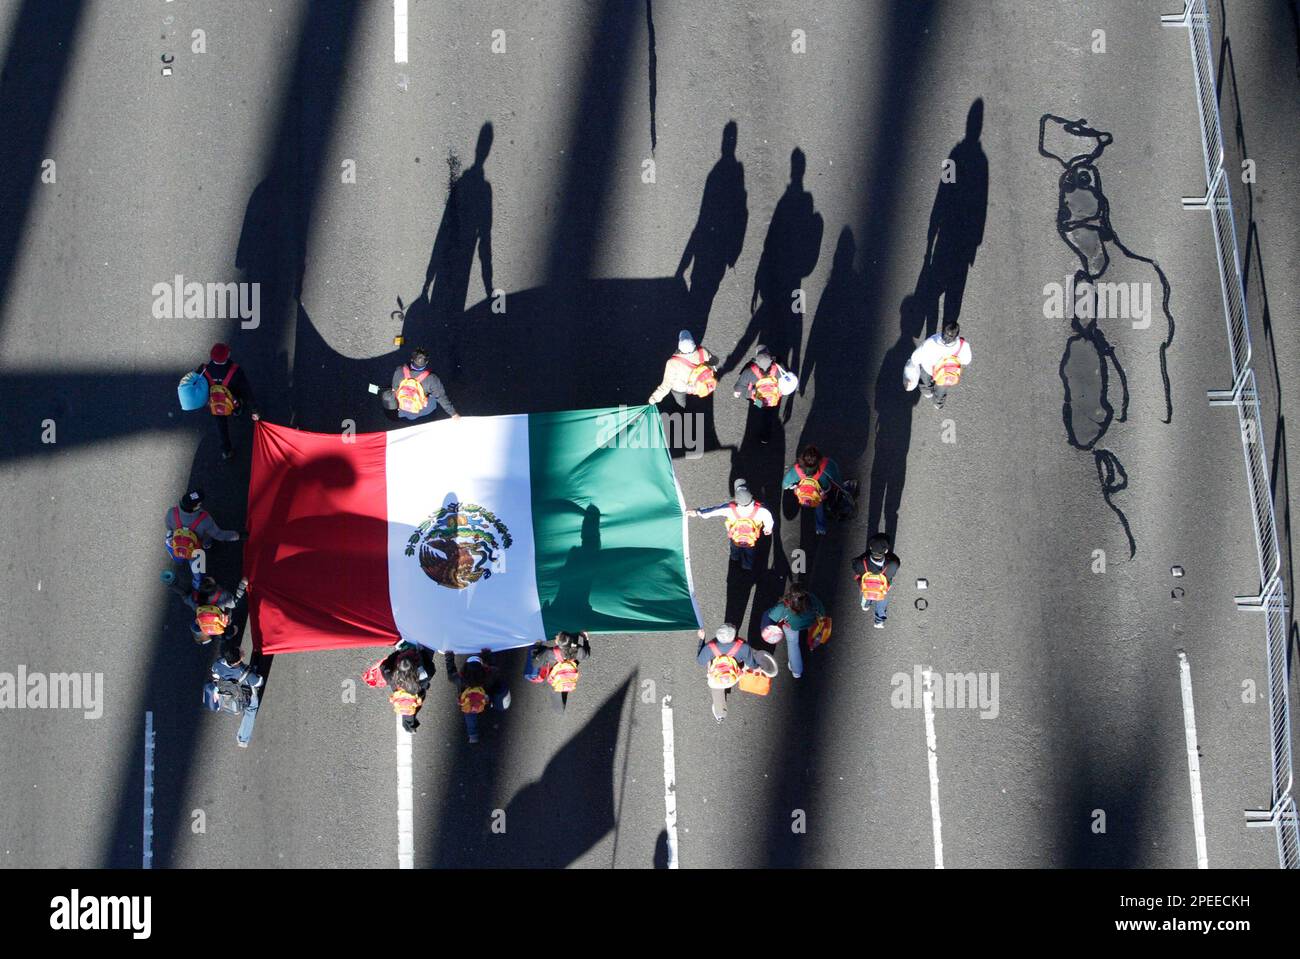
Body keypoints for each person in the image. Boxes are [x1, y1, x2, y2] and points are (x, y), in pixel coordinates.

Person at [688, 479, 774, 572]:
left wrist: (697, 512)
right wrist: (767, 529)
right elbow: (769, 523)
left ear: (736, 499)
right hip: (751, 539)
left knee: (734, 547)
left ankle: (735, 557)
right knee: (750, 552)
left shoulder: (729, 509)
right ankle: (747, 565)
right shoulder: (762, 511)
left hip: (735, 537)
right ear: (751, 495)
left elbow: (712, 511)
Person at [194, 342, 259, 461]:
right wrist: (254, 410)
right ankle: (236, 411)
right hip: (232, 400)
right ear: (226, 356)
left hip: (215, 403)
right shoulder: (235, 371)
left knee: (221, 427)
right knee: (238, 404)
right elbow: (246, 391)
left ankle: (226, 451)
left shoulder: (204, 370)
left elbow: (195, 383)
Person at [164, 489, 241, 585]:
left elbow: (169, 527)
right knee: (196, 566)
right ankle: (198, 582)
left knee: (178, 552)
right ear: (195, 508)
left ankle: (179, 559)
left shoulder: (172, 512)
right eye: (199, 504)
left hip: (178, 543)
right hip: (194, 548)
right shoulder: (204, 519)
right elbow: (219, 535)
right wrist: (237, 536)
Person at [696, 624, 766, 723]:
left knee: (717, 695)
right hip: (734, 677)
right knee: (744, 665)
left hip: (716, 680)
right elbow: (751, 663)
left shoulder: (709, 648)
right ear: (733, 636)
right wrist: (757, 668)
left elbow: (700, 661)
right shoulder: (743, 647)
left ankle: (720, 714)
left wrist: (702, 640)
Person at [760, 582, 826, 680]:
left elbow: (770, 615)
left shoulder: (783, 607)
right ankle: (799, 667)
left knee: (793, 643)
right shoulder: (812, 600)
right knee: (807, 638)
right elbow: (822, 612)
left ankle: (797, 671)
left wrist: (766, 629)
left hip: (792, 627)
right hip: (809, 623)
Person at [782, 444, 850, 536]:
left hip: (804, 496)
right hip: (820, 493)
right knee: (820, 506)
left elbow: (785, 485)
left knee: (816, 505)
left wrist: (795, 487)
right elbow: (837, 480)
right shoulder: (828, 464)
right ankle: (820, 528)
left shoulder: (796, 470)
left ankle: (819, 527)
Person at [444, 650, 510, 744]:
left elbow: (451, 674)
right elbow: (495, 670)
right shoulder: (489, 676)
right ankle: (489, 705)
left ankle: (473, 735)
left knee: (469, 714)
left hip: (469, 702)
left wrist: (449, 657)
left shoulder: (459, 679)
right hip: (485, 698)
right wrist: (487, 656)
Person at [904, 322, 972, 410]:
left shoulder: (931, 342)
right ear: (956, 335)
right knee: (941, 391)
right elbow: (967, 360)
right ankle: (938, 404)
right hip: (945, 375)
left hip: (929, 370)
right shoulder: (963, 345)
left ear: (943, 330)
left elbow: (915, 358)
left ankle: (927, 392)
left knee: (925, 380)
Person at [209, 643, 263, 747]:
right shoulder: (244, 672)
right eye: (240, 651)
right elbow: (259, 682)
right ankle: (243, 738)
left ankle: (243, 740)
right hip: (242, 693)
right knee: (251, 709)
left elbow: (215, 675)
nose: (241, 649)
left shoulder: (218, 664)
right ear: (238, 660)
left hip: (227, 692)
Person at [649, 330, 719, 408]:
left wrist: (654, 399)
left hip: (681, 388)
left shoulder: (672, 363)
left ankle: (682, 408)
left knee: (680, 402)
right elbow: (714, 361)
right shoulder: (702, 351)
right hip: (698, 384)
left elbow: (666, 386)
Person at [170, 575, 247, 646]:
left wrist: (243, 585)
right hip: (205, 592)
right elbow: (184, 595)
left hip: (220, 598)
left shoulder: (222, 601)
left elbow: (235, 601)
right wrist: (172, 583)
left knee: (235, 604)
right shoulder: (195, 604)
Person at [524, 631, 591, 711]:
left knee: (559, 686)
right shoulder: (578, 650)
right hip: (568, 669)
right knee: (562, 683)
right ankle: (562, 696)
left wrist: (537, 646)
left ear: (557, 643)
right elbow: (586, 655)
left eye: (557, 637)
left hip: (559, 672)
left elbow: (535, 664)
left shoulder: (549, 653)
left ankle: (560, 704)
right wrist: (585, 638)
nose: (556, 636)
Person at [390, 347, 461, 422]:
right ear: (426, 362)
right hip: (423, 410)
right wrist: (453, 414)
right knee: (434, 397)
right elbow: (441, 397)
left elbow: (395, 388)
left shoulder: (400, 371)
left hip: (404, 408)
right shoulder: (432, 379)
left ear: (412, 359)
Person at [733, 346, 787, 443]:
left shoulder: (749, 371)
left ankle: (759, 406)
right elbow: (786, 381)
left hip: (758, 400)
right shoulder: (778, 367)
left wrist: (751, 393)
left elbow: (739, 389)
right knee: (769, 415)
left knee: (760, 405)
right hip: (774, 399)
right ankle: (765, 438)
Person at [381, 643, 436, 732]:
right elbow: (431, 668)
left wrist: (398, 652)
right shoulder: (423, 675)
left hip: (408, 695)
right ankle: (409, 724)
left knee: (409, 706)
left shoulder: (390, 676)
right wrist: (422, 652)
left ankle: (410, 724)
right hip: (418, 692)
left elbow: (383, 666)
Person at [851, 533, 901, 629]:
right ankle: (879, 621)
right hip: (882, 587)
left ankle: (866, 604)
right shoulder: (893, 564)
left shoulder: (860, 563)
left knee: (866, 593)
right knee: (882, 601)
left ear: (870, 548)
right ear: (886, 551)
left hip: (866, 586)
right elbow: (895, 563)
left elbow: (854, 564)